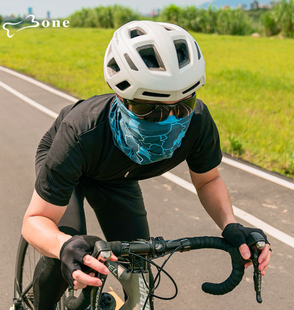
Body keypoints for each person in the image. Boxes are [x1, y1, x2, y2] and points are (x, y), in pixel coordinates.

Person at [21, 20, 271, 310]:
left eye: (183, 105)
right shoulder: (81, 132)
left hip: (116, 177)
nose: (169, 120)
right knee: (65, 253)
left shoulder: (198, 123)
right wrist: (62, 246)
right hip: (74, 160)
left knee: (140, 275)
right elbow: (35, 221)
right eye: (147, 109)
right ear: (121, 96)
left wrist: (230, 224)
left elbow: (208, 180)